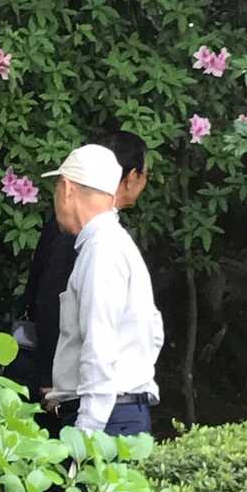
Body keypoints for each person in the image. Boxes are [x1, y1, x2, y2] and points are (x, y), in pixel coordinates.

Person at [41, 143, 163, 436]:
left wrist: (87, 432)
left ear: (66, 189)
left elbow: (100, 345)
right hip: (116, 412)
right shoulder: (110, 243)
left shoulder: (102, 251)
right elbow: (153, 334)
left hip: (105, 420)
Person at [17, 130, 149, 398]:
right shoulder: (80, 227)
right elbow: (50, 299)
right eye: (146, 174)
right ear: (132, 176)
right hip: (58, 379)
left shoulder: (94, 229)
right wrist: (51, 378)